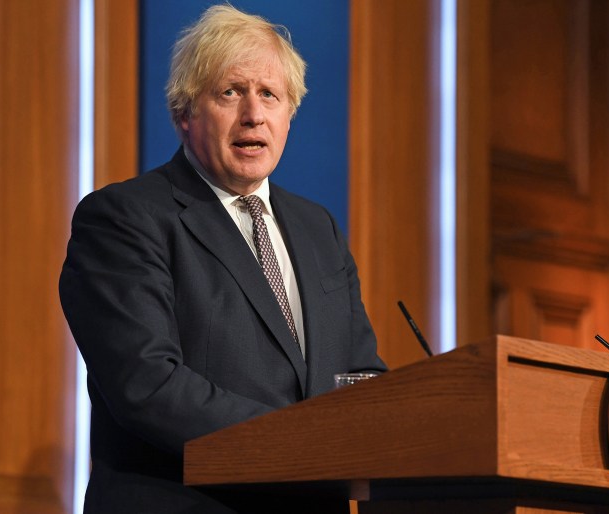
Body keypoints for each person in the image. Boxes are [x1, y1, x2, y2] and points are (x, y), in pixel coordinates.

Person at [59, 4, 386, 514]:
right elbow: (147, 383)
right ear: (185, 112)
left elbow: (360, 375)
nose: (253, 114)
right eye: (231, 92)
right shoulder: (124, 218)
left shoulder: (317, 229)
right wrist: (303, 446)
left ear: (289, 114)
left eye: (270, 95)